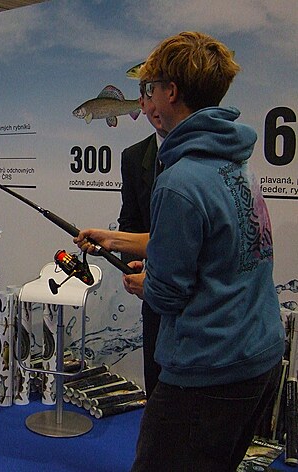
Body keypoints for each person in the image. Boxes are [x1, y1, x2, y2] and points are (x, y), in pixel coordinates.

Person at [75, 32, 284, 471]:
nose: (147, 100)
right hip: (257, 360)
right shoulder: (235, 164)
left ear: (170, 92)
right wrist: (114, 239)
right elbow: (209, 243)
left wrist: (145, 284)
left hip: (207, 371)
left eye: (149, 89)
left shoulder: (179, 181)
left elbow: (168, 293)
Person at [118, 84, 168, 398]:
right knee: (156, 382)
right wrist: (131, 263)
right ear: (141, 103)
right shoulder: (134, 157)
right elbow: (130, 221)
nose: (155, 108)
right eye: (148, 99)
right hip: (153, 292)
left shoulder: (201, 160)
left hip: (193, 304)